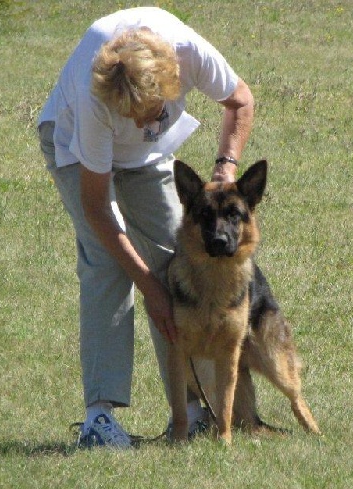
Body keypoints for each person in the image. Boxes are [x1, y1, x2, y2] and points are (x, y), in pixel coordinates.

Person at [37, 7, 254, 448]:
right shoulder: (92, 96)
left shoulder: (191, 54)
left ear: (170, 84)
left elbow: (241, 101)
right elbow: (98, 209)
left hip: (149, 161)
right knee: (106, 264)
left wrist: (226, 169)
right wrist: (149, 289)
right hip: (78, 150)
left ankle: (195, 413)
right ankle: (99, 420)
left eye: (146, 113)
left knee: (181, 266)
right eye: (129, 116)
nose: (138, 123)